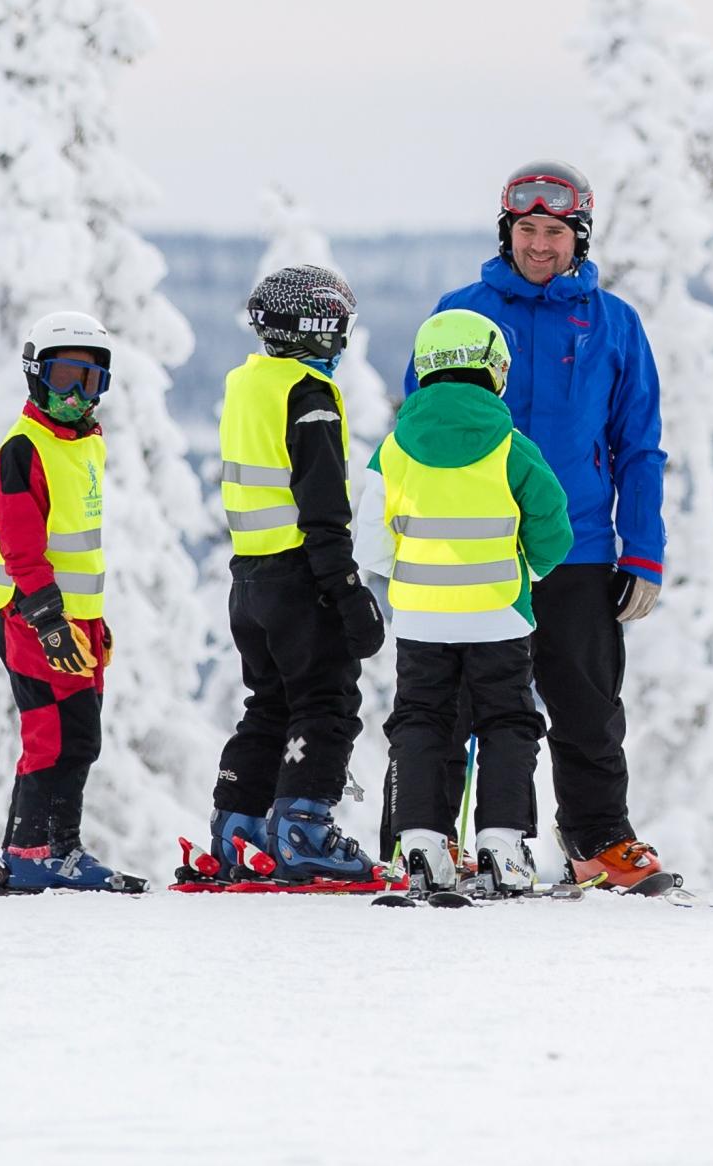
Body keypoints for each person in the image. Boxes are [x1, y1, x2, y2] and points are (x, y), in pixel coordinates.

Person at [414, 160, 670, 891]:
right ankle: (436, 843)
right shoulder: (459, 315)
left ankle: (597, 841)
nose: (538, 244)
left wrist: (644, 552)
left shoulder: (613, 323)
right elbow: (419, 432)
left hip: (579, 550)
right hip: (472, 551)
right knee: (458, 702)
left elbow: (639, 445)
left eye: (554, 231)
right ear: (508, 231)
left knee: (587, 704)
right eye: (526, 228)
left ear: (578, 237)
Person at [358, 308, 573, 896]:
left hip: (422, 620)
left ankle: (422, 845)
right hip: (500, 613)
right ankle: (502, 846)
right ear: (493, 369)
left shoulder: (394, 450)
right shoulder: (512, 446)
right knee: (507, 721)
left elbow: (370, 542)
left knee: (421, 721)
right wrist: (530, 569)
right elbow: (555, 528)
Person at [209, 264, 387, 884]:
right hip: (300, 575)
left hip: (249, 578)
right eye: (338, 330)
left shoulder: (247, 383)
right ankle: (304, 830)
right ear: (317, 328)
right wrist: (344, 588)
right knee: (326, 701)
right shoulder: (307, 394)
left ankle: (239, 828)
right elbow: (321, 505)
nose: (340, 344)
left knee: (270, 703)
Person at [0, 309, 145, 893]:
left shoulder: (82, 445)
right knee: (56, 732)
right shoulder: (25, 450)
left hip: (74, 623)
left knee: (81, 734)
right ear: (36, 375)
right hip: (33, 618)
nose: (77, 394)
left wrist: (95, 621)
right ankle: (34, 851)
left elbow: (78, 549)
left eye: (91, 379)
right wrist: (50, 620)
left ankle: (56, 848)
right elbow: (22, 548)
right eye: (65, 375)